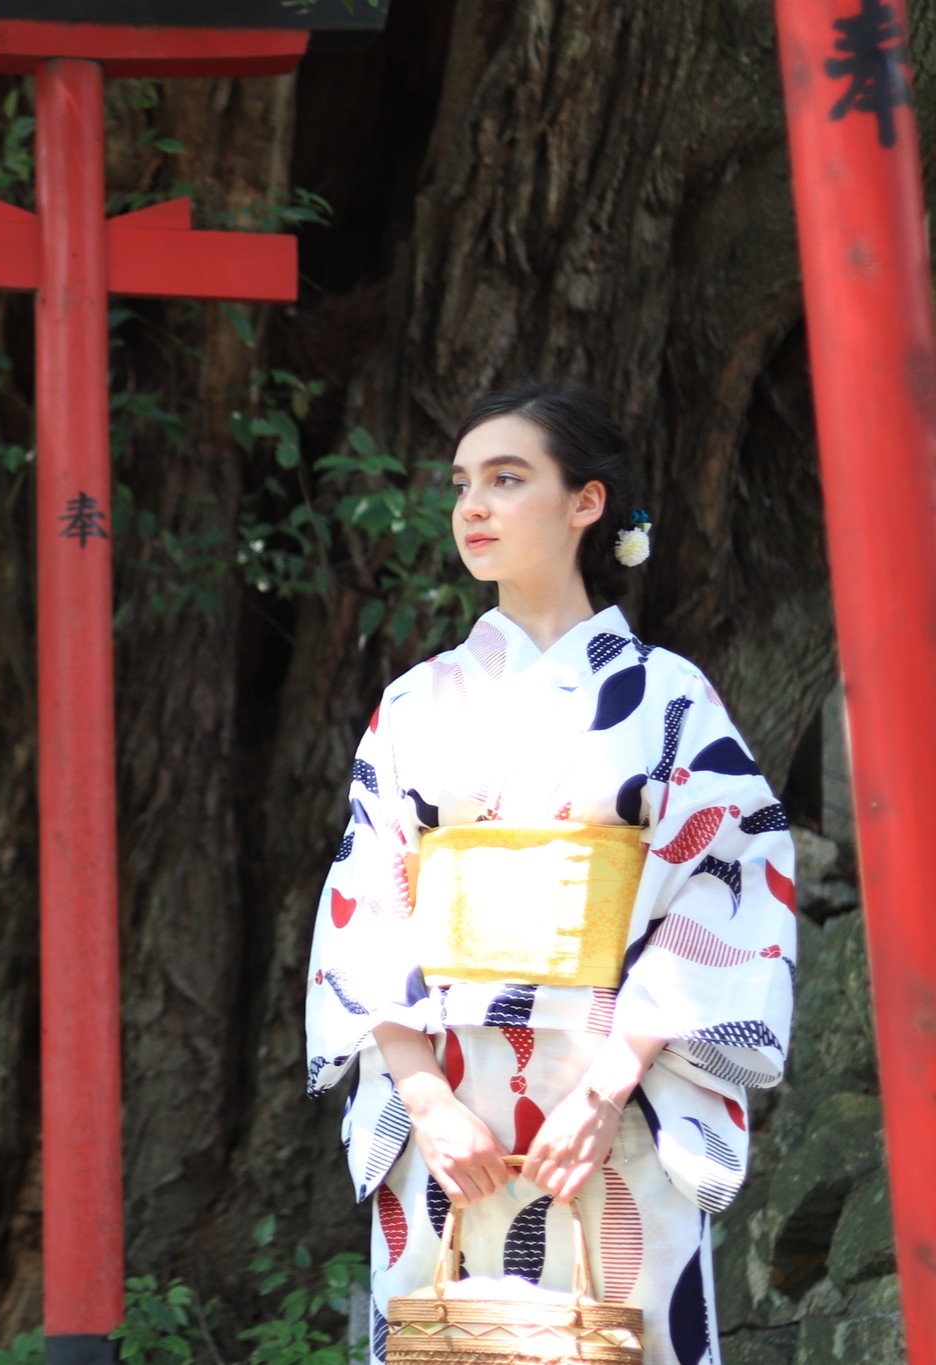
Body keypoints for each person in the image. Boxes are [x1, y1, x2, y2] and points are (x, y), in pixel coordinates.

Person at [304, 383, 796, 1365]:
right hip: (446, 1103)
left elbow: (734, 880)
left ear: (585, 503)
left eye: (505, 478)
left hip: (618, 1095)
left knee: (626, 1339)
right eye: (461, 485)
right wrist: (424, 1100)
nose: (471, 507)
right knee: (443, 1339)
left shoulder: (668, 698)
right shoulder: (414, 703)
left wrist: (607, 1087)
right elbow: (365, 893)